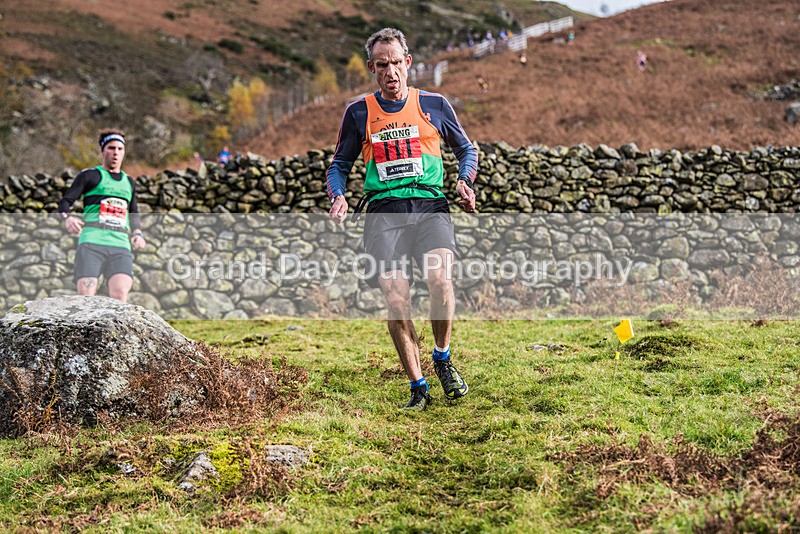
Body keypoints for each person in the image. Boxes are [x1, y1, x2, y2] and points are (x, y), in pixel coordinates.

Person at [326, 27, 478, 412]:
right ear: (371, 69)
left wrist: (463, 180)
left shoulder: (435, 103)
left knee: (440, 280)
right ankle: (418, 386)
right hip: (383, 212)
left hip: (430, 205)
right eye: (382, 65)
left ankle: (442, 358)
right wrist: (339, 195)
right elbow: (339, 165)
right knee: (397, 300)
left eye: (396, 63)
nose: (391, 72)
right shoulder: (358, 112)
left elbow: (467, 150)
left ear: (408, 63)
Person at [57, 129, 146, 302]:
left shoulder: (129, 182)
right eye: (111, 148)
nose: (116, 153)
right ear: (103, 151)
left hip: (120, 244)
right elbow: (64, 203)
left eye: (120, 149)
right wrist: (68, 218)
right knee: (86, 297)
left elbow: (133, 212)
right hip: (92, 242)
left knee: (120, 295)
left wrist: (137, 233)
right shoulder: (89, 175)